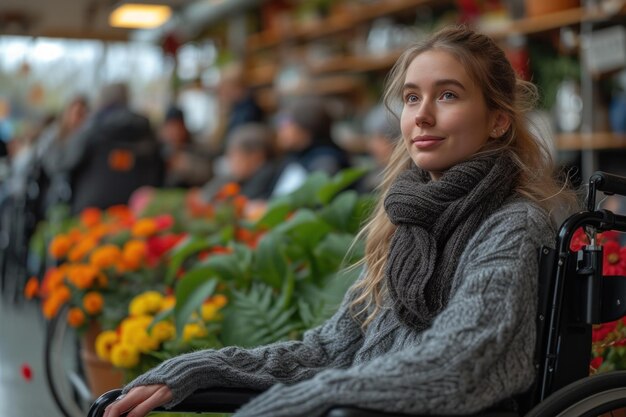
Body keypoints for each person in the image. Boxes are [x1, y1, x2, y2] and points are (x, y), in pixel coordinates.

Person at [104, 26, 577, 417]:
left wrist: (315, 398)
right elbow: (326, 352)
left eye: (448, 95)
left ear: (498, 120)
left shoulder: (513, 226)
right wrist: (196, 371)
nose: (423, 116)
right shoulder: (407, 221)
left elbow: (460, 359)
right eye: (412, 99)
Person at [271, 96, 351, 196]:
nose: (280, 129)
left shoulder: (325, 162)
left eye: (285, 122)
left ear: (306, 125)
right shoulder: (295, 156)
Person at [202, 122, 280, 201]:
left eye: (235, 156)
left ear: (256, 156)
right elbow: (205, 196)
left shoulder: (266, 175)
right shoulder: (242, 178)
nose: (231, 162)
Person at [158, 106, 212, 188]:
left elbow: (208, 172)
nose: (175, 132)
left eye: (178, 127)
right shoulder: (159, 147)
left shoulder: (196, 147)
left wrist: (186, 165)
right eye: (171, 127)